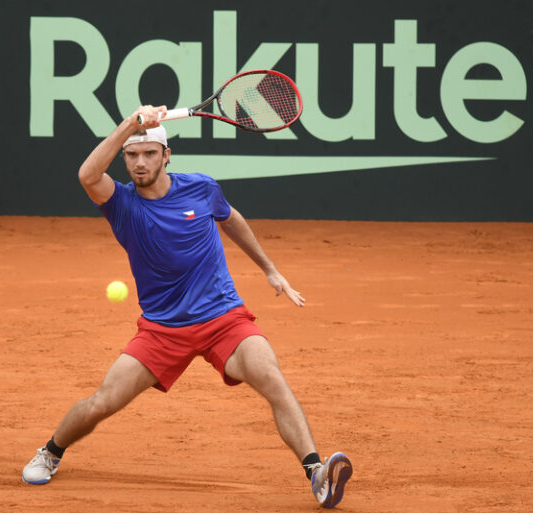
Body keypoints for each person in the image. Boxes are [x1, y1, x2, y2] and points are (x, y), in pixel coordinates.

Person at [21, 105, 353, 508]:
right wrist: (131, 124)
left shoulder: (201, 188)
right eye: (131, 155)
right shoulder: (121, 204)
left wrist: (269, 268)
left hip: (223, 318)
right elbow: (87, 175)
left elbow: (231, 219)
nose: (139, 163)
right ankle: (51, 451)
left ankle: (316, 472)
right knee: (102, 403)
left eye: (148, 153)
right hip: (163, 329)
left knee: (271, 377)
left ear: (166, 155)